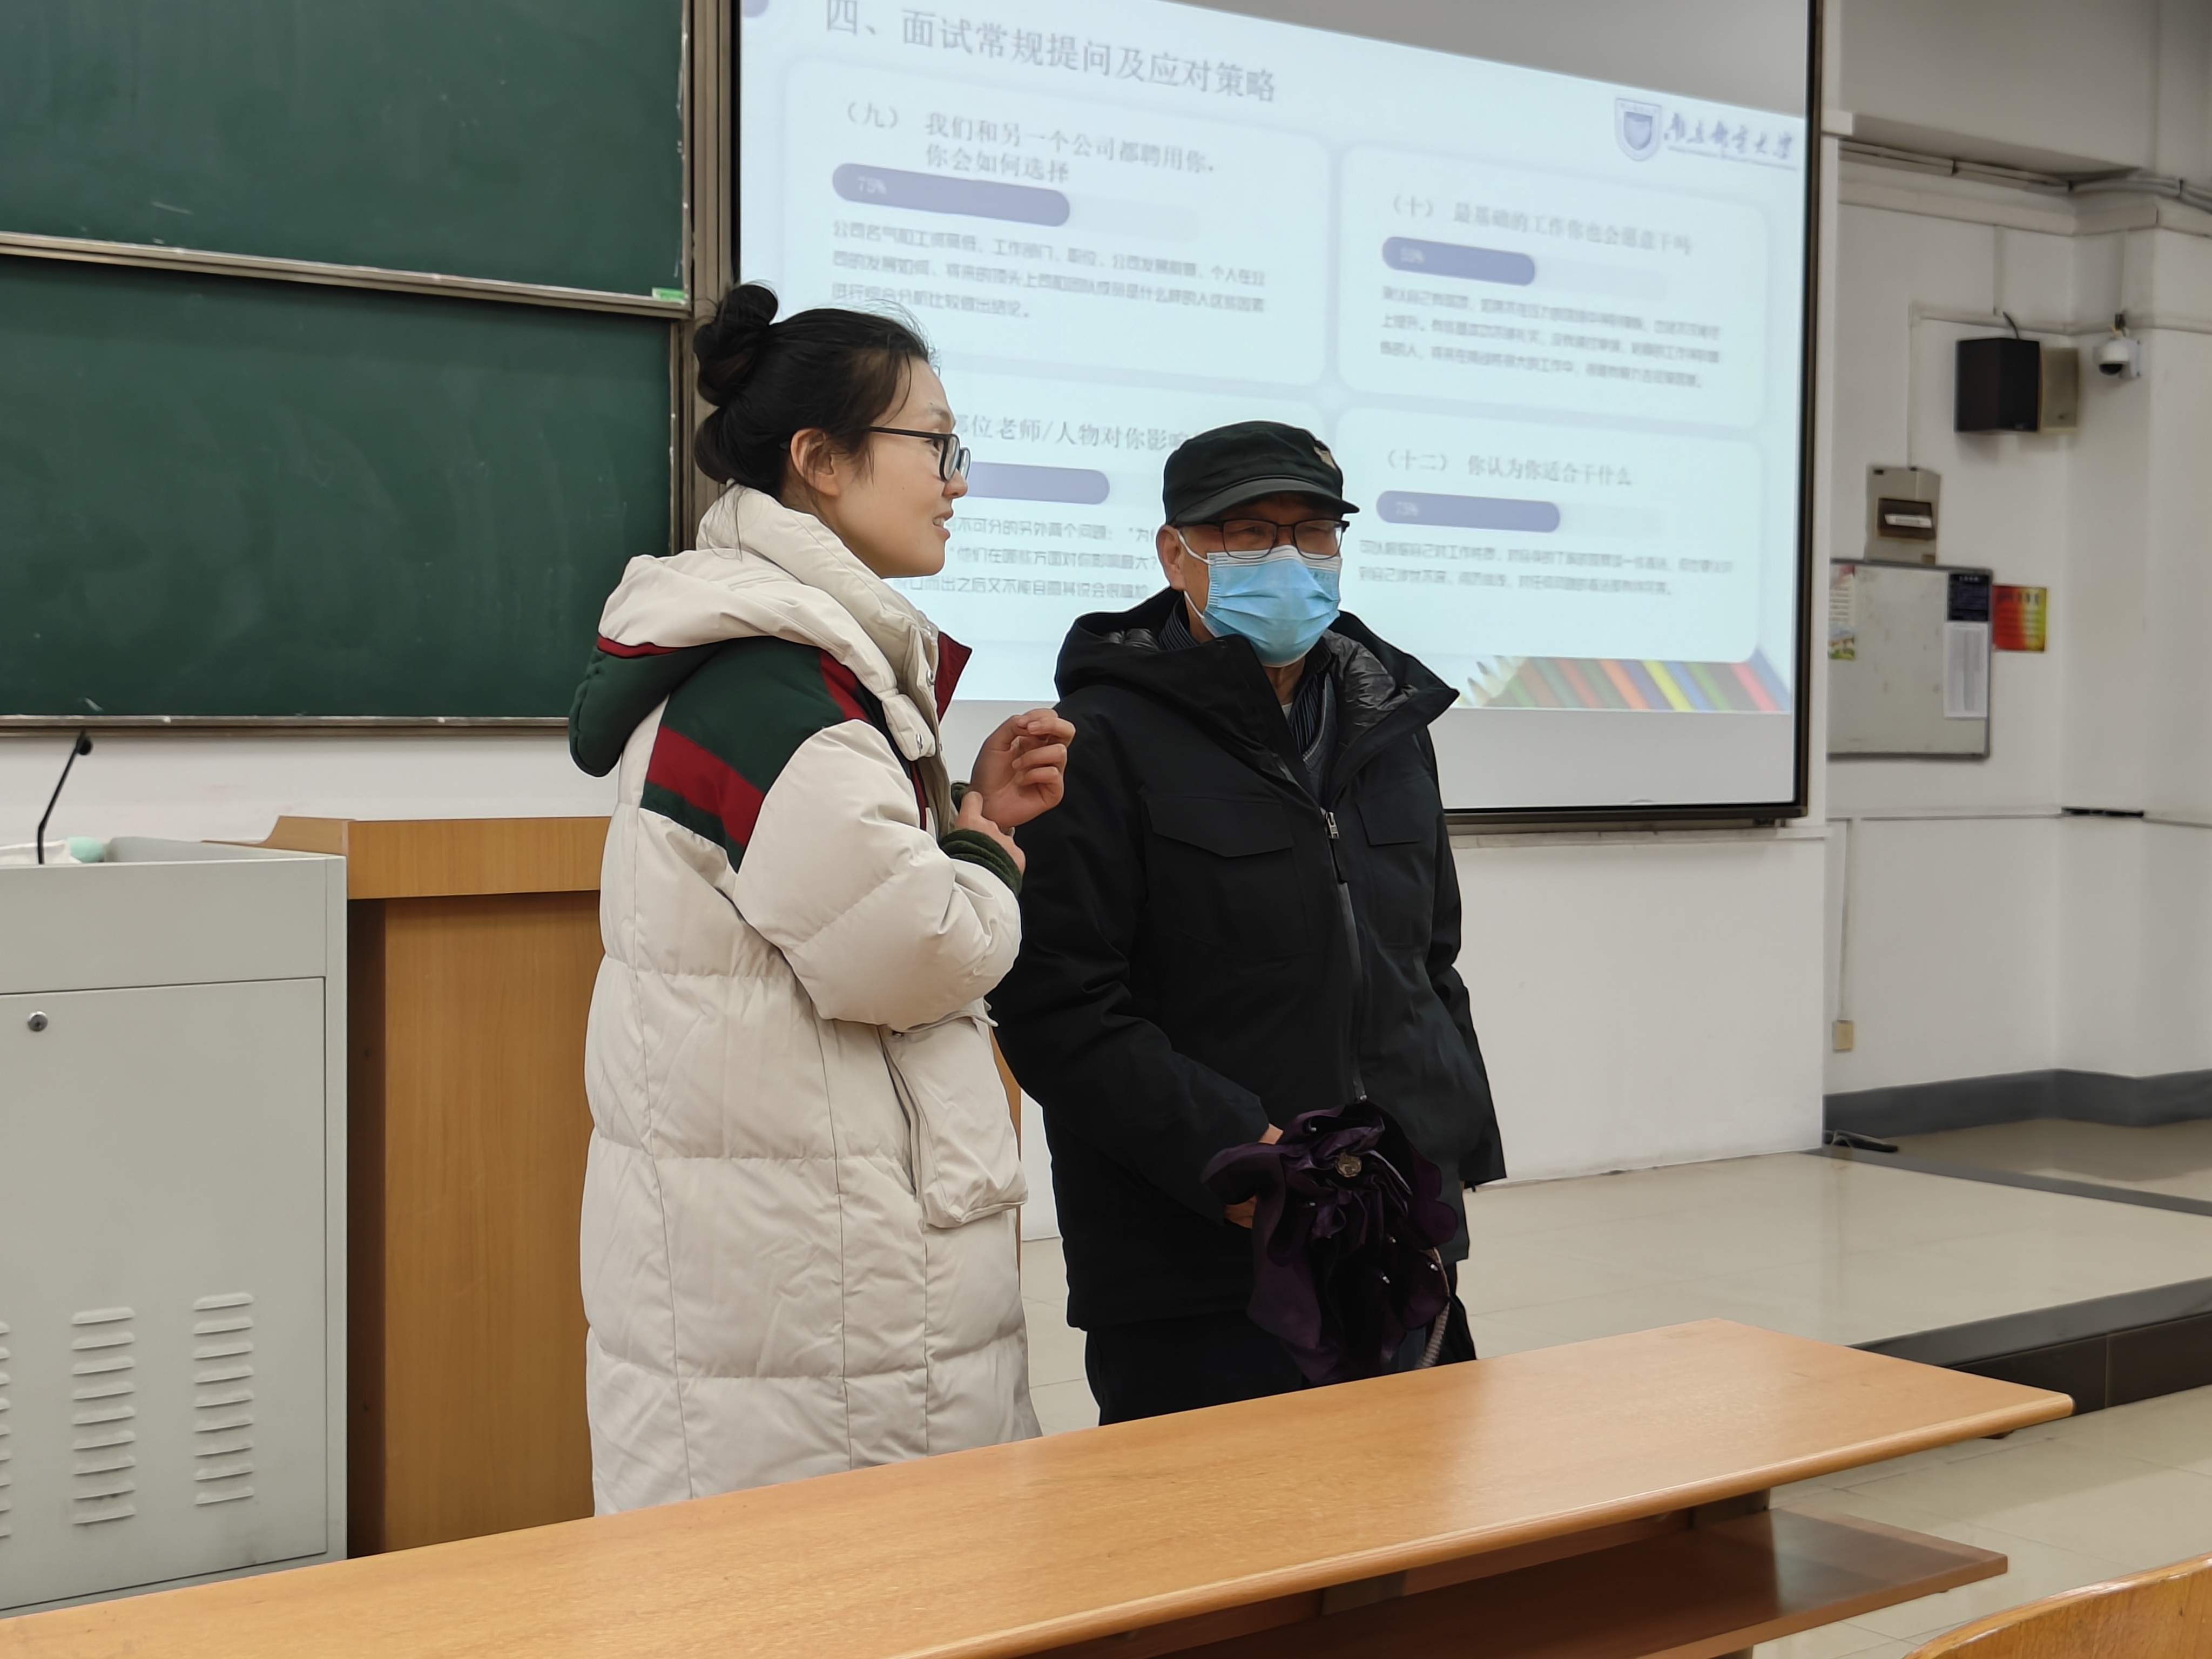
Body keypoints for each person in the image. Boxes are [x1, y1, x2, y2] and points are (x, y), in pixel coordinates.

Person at [567, 284, 1075, 1509]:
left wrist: (967, 817)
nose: (958, 481)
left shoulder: (781, 670)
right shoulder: (770, 690)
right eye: (935, 445)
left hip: (802, 1277)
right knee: (842, 1583)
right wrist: (985, 856)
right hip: (822, 1308)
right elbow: (913, 948)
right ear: (821, 461)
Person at [992, 420, 1505, 1424]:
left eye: (1314, 533)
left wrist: (1440, 1149)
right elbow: (1058, 1006)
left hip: (1392, 1233)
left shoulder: (1390, 727)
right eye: (1248, 534)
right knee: (1223, 1520)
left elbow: (1425, 962)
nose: (1288, 560)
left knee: (1419, 1507)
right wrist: (1239, 1156)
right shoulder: (1097, 743)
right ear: (1175, 552)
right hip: (1199, 1260)